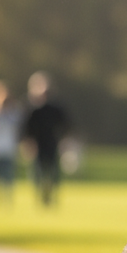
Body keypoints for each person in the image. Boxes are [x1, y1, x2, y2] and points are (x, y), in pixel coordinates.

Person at [23, 71, 71, 206]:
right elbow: (27, 130)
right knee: (37, 174)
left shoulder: (56, 108)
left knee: (54, 174)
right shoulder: (31, 109)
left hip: (52, 145)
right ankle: (40, 197)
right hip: (37, 146)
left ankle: (52, 197)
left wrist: (64, 142)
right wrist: (28, 145)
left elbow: (66, 126)